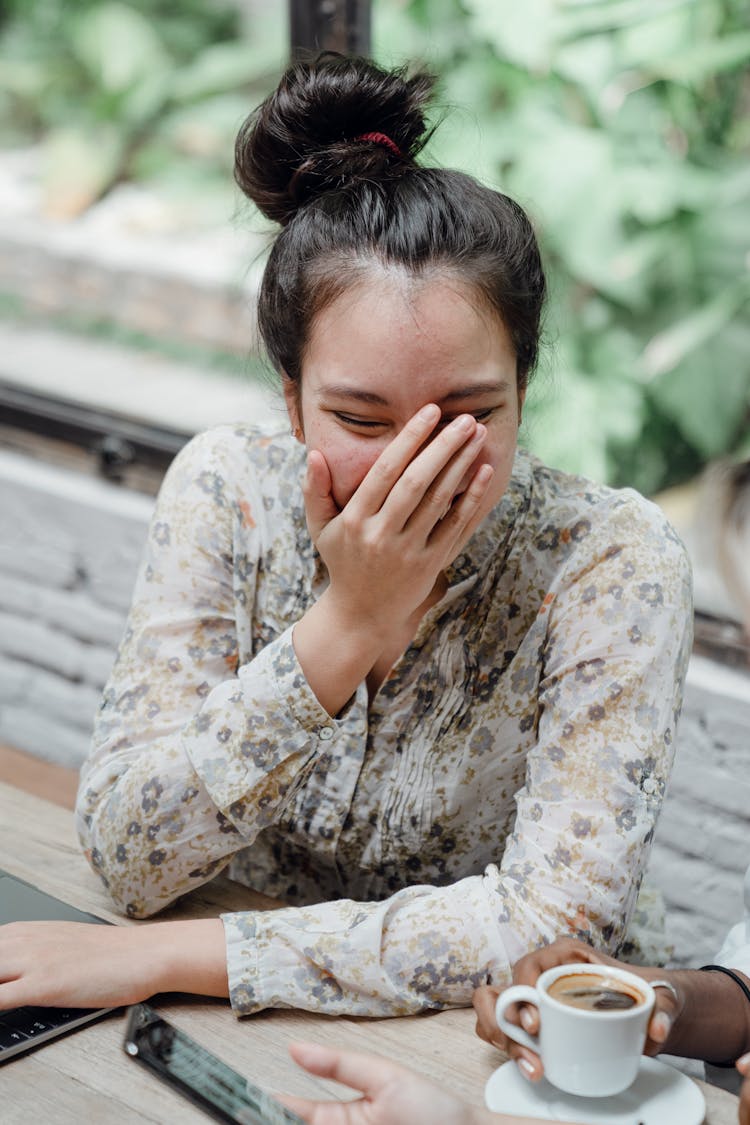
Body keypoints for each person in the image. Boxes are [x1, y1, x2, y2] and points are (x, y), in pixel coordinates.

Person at [0, 54, 692, 1019]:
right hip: (243, 1033)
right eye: (363, 422)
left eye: (467, 416)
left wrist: (181, 957)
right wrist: (349, 623)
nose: (413, 466)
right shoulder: (228, 488)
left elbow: (545, 926)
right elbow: (127, 851)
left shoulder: (611, 559)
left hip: (503, 1053)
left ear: (524, 395)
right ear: (292, 402)